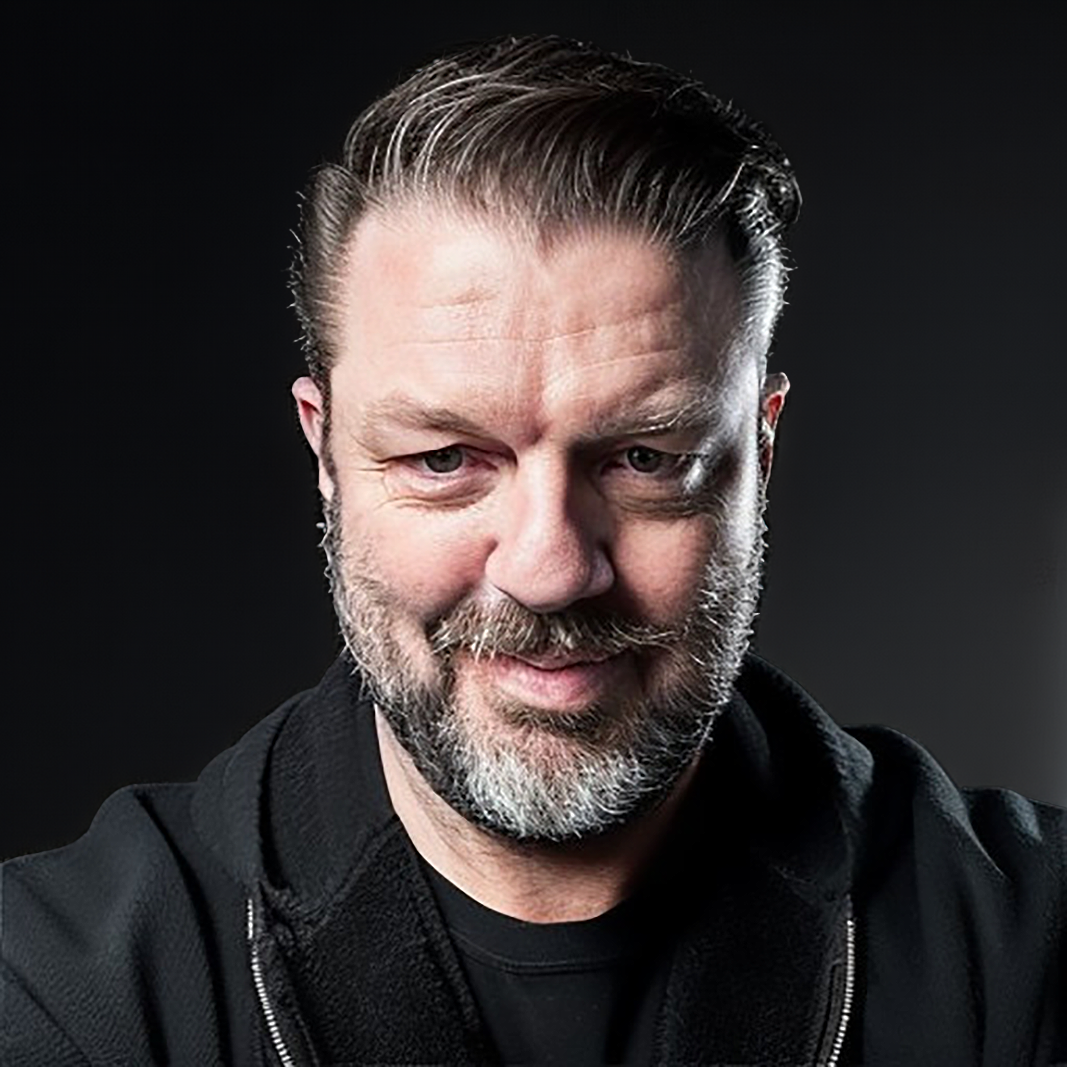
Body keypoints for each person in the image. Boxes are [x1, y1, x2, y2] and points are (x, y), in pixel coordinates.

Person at [2, 33, 1063, 1067]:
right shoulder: (61, 989)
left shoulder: (1031, 946)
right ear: (326, 451)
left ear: (760, 448)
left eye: (644, 458)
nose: (550, 568)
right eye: (444, 459)